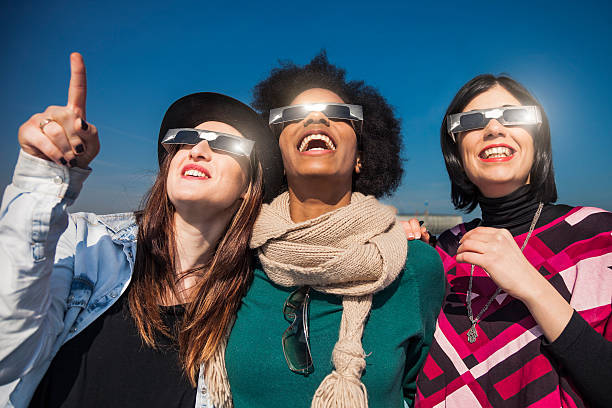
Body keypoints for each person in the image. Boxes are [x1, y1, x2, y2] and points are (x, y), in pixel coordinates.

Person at [0, 53, 283, 407]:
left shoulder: (252, 299)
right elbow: (5, 356)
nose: (198, 149)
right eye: (187, 138)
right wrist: (42, 176)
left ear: (249, 186)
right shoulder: (88, 247)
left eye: (226, 144)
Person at [204, 52, 445, 408]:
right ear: (279, 158)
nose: (316, 118)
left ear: (362, 155)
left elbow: (416, 391)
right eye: (294, 116)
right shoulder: (234, 253)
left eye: (338, 114)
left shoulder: (417, 267)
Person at [408, 75, 612, 407]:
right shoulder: (443, 252)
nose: (493, 129)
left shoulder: (596, 236)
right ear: (457, 151)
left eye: (513, 116)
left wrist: (532, 285)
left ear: (538, 139)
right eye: (472, 121)